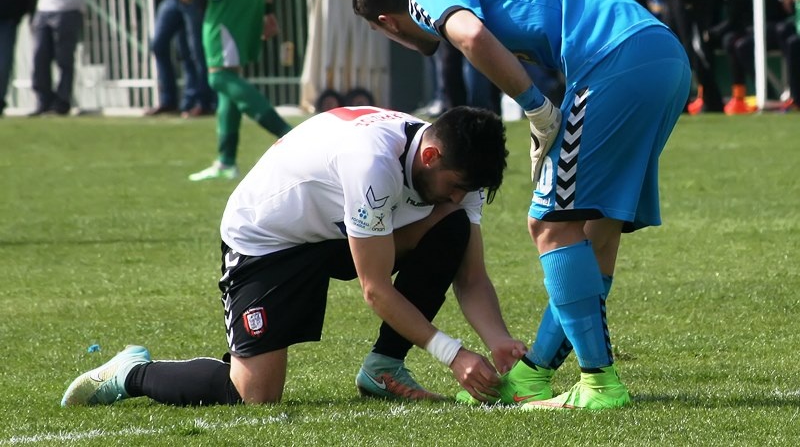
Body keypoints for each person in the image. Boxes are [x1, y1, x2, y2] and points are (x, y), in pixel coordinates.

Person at [353, 0, 690, 410]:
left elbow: (469, 35)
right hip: (664, 57)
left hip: (614, 63)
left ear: (387, 23)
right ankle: (535, 375)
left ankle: (600, 383)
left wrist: (538, 110)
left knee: (550, 224)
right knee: (596, 230)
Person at [61, 106, 528, 406]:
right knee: (254, 393)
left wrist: (498, 340)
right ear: (431, 155)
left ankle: (382, 368)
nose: (459, 195)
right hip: (268, 243)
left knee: (453, 228)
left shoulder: (457, 170)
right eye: (457, 185)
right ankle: (131, 372)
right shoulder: (372, 162)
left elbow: (471, 276)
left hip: (333, 231)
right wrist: (453, 355)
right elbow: (375, 288)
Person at [181, 0, 293, 181]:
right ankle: (226, 161)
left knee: (218, 75)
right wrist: (268, 7)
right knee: (230, 74)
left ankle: (290, 134)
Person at [706, 0, 787, 114]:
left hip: (771, 24)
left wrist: (711, 33)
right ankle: (738, 96)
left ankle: (768, 95)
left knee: (740, 45)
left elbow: (734, 18)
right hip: (750, 27)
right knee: (729, 41)